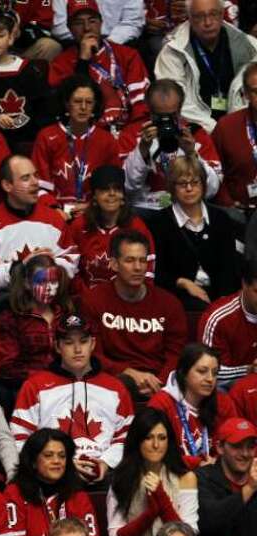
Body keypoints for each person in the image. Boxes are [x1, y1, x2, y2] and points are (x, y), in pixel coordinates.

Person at [11, 313, 134, 480]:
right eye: (69, 343)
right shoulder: (34, 386)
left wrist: (106, 463)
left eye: (83, 341)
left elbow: (127, 436)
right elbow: (19, 437)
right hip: (52, 475)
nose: (77, 350)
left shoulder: (116, 388)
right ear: (57, 347)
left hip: (108, 473)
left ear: (93, 344)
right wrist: (60, 464)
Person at [105, 410, 199, 536]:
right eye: (148, 438)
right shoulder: (121, 480)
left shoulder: (186, 478)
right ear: (137, 441)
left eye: (162, 438)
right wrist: (149, 514)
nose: (156, 445)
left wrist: (161, 499)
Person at [149, 155, 246, 309]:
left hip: (218, 298)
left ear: (203, 185)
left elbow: (229, 268)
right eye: (182, 184)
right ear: (172, 187)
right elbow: (157, 274)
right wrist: (182, 282)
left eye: (195, 182)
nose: (189, 188)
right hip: (177, 298)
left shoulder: (220, 219)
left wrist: (222, 303)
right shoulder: (160, 223)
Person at [6, 429, 100, 536]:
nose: (57, 461)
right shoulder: (15, 493)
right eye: (48, 455)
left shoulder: (78, 495)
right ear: (33, 461)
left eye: (62, 456)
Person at [119, 79, 223, 210]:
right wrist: (142, 151)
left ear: (179, 110)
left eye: (171, 115)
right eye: (160, 116)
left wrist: (192, 154)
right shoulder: (131, 135)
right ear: (149, 110)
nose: (166, 121)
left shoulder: (194, 134)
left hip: (187, 207)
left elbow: (212, 189)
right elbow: (127, 189)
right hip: (148, 210)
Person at [0, 156, 75, 293]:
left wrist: (48, 264)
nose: (35, 182)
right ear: (7, 185)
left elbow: (72, 262)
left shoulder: (54, 219)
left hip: (51, 301)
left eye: (35, 175)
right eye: (25, 178)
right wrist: (20, 268)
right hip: (7, 305)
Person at [48, 0, 150, 133]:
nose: (87, 28)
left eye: (92, 21)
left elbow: (141, 106)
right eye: (78, 23)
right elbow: (70, 111)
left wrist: (128, 139)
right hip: (86, 136)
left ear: (101, 23)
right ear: (69, 27)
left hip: (128, 132)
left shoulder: (128, 55)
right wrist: (83, 61)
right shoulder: (60, 64)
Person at [154, 0, 255, 132]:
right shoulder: (173, 51)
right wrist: (217, 130)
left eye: (213, 14)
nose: (207, 22)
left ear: (222, 14)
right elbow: (177, 103)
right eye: (199, 16)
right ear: (189, 17)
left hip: (240, 128)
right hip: (196, 130)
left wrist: (234, 130)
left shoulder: (249, 46)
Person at [30, 76, 119, 213]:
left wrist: (92, 207)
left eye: (89, 102)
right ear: (66, 104)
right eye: (77, 101)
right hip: (54, 212)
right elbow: (39, 182)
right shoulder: (47, 136)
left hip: (94, 212)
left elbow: (114, 185)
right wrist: (54, 208)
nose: (83, 107)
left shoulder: (107, 140)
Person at [66, 165, 155, 294]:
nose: (112, 193)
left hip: (128, 300)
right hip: (87, 300)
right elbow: (70, 270)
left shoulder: (137, 226)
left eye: (117, 189)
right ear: (94, 196)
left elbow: (148, 272)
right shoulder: (79, 227)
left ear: (123, 195)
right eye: (104, 189)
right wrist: (86, 297)